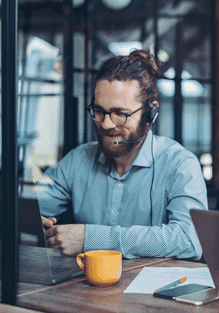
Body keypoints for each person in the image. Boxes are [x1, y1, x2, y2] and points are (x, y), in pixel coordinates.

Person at [39, 50, 207, 260]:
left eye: (120, 114)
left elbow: (189, 240)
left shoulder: (180, 164)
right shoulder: (78, 160)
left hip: (150, 291)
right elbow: (31, 203)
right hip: (84, 291)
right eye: (99, 111)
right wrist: (26, 216)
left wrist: (91, 239)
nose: (107, 124)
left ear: (150, 113)